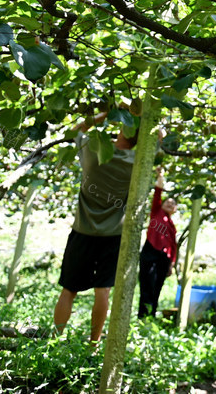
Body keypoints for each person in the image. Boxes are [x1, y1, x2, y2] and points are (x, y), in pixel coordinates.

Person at [54, 112, 138, 342]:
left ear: (124, 130)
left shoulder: (94, 151)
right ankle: (94, 342)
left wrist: (107, 112)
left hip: (83, 231)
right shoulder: (137, 164)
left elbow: (73, 132)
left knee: (69, 289)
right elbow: (160, 139)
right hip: (113, 235)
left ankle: (55, 338)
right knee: (103, 291)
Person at [137, 171, 178, 319]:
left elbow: (173, 246)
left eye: (173, 203)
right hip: (150, 252)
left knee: (157, 287)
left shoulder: (172, 225)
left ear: (175, 209)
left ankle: (151, 315)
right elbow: (157, 193)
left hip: (163, 258)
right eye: (168, 201)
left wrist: (171, 264)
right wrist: (160, 177)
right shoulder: (156, 212)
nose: (170, 203)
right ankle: (142, 316)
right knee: (146, 285)